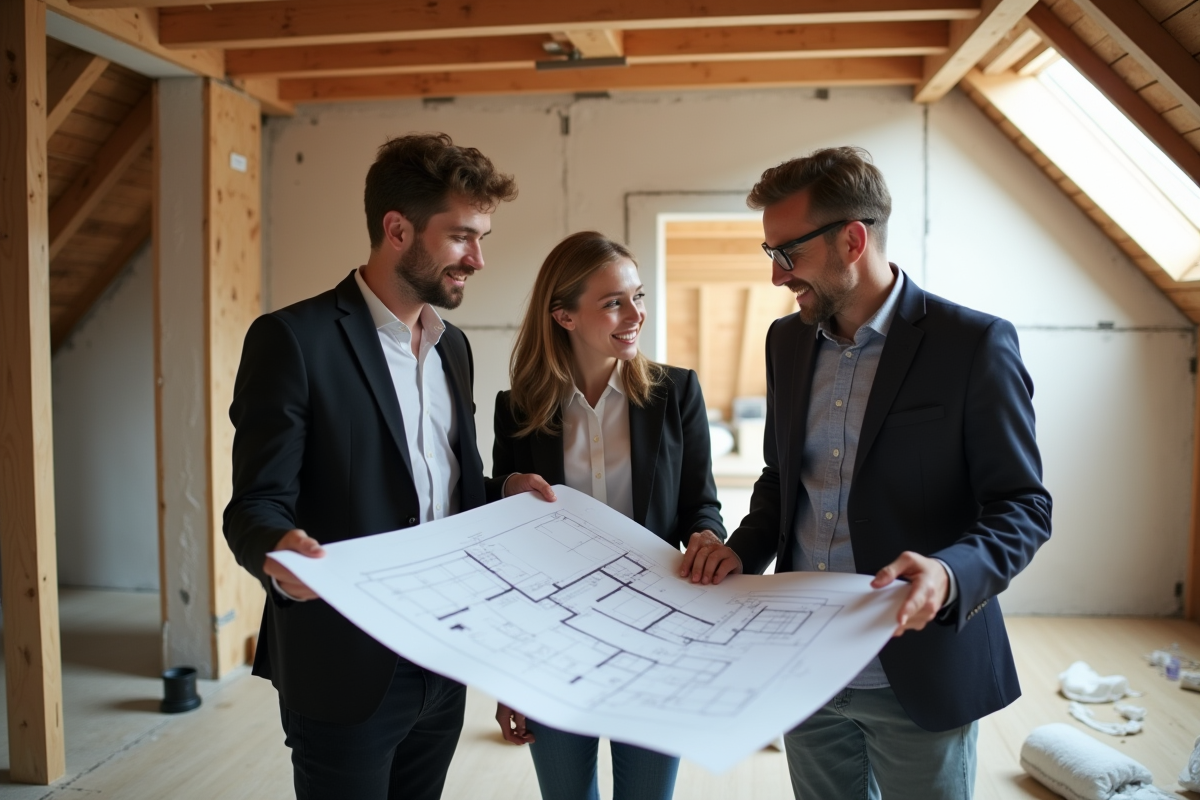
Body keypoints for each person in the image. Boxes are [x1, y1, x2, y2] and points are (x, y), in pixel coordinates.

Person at [680, 146, 1052, 799]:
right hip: (804, 673)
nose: (776, 277)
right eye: (770, 255)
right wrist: (740, 552)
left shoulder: (973, 345)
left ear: (852, 240)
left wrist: (949, 572)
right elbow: (780, 478)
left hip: (918, 671)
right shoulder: (786, 342)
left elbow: (1023, 507)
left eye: (785, 255)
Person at [223, 133, 553, 800]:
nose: (479, 258)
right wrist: (280, 553)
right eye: (462, 236)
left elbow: (434, 493)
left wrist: (502, 492)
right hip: (344, 668)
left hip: (442, 658)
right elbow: (254, 508)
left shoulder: (451, 347)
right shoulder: (293, 340)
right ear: (396, 229)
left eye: (482, 236)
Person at [491, 231, 726, 800]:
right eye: (614, 302)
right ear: (564, 316)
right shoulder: (519, 408)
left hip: (657, 636)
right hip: (554, 643)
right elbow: (509, 547)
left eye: (637, 297)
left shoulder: (677, 393)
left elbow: (702, 502)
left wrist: (706, 538)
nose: (635, 314)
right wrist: (509, 674)